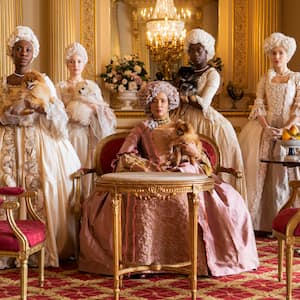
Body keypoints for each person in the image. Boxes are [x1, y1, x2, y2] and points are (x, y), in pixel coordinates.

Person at [79, 80, 259, 277]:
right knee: (140, 199)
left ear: (170, 103)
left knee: (224, 200)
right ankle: (145, 259)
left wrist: (193, 152)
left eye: (163, 101)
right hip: (154, 175)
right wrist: (146, 166)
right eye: (155, 101)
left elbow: (200, 155)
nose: (159, 105)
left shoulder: (180, 126)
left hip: (182, 172)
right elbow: (125, 155)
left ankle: (195, 260)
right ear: (148, 103)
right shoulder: (142, 127)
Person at [0, 26, 81, 268]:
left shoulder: (43, 80)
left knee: (42, 187)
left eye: (27, 49)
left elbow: (58, 116)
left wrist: (40, 108)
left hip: (37, 139)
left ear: (33, 53)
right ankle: (6, 245)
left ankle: (40, 245)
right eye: (18, 49)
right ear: (11, 53)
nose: (23, 53)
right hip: (6, 139)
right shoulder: (3, 82)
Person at [171, 28, 247, 200]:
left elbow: (202, 102)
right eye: (191, 50)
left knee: (206, 163)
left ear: (207, 52)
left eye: (199, 50)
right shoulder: (185, 73)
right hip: (182, 118)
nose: (195, 54)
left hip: (204, 120)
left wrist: (182, 96)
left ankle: (217, 202)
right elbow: (175, 98)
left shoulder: (212, 74)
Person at [239, 32, 300, 232]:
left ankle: (291, 224)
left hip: (290, 130)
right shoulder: (265, 78)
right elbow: (259, 104)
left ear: (287, 54)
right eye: (273, 53)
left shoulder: (296, 78)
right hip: (266, 129)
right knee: (262, 173)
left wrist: (285, 128)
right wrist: (266, 127)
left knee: (286, 173)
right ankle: (262, 223)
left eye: (281, 53)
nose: (277, 57)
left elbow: (298, 107)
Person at [56, 42, 116, 198]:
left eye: (79, 61)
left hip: (87, 135)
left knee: (86, 169)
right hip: (69, 133)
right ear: (67, 64)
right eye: (71, 61)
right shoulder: (61, 87)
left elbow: (102, 109)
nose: (75, 65)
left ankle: (87, 209)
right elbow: (56, 111)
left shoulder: (91, 86)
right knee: (69, 170)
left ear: (84, 63)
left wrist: (94, 110)